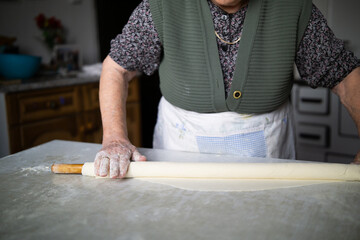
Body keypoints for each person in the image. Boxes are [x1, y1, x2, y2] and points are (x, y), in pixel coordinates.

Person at [94, 0, 360, 178]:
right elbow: (117, 68)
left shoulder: (294, 7)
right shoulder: (161, 5)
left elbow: (346, 76)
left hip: (268, 148)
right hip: (180, 143)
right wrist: (115, 139)